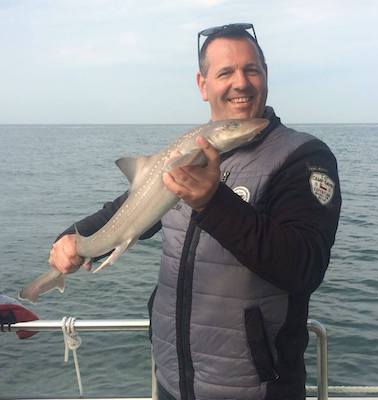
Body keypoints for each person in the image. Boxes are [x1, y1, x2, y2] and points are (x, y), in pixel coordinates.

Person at [49, 23, 341, 400]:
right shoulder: (183, 154)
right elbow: (129, 210)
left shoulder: (302, 157)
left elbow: (304, 266)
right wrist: (74, 237)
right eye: (225, 72)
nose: (241, 82)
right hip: (172, 379)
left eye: (252, 69)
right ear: (203, 85)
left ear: (266, 75)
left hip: (255, 388)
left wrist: (212, 201)